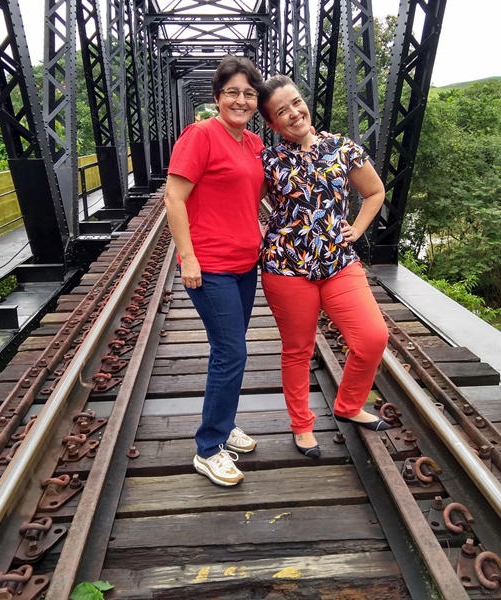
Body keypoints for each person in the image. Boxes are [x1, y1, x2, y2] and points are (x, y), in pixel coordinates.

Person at [257, 74, 390, 459]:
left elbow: (375, 191)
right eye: (282, 111)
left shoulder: (341, 148)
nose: (294, 113)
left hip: (338, 263)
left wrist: (357, 230)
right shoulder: (269, 160)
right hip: (285, 268)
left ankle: (348, 406)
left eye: (296, 102)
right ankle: (301, 425)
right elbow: (244, 206)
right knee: (297, 350)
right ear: (271, 123)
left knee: (371, 338)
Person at [163, 56, 265, 487]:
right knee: (231, 352)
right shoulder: (200, 136)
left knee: (230, 349)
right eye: (232, 92)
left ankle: (224, 424)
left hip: (245, 264)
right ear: (217, 97)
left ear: (256, 101)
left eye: (249, 93)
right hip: (211, 267)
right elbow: (173, 198)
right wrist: (187, 258)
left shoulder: (254, 144)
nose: (241, 100)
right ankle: (208, 448)